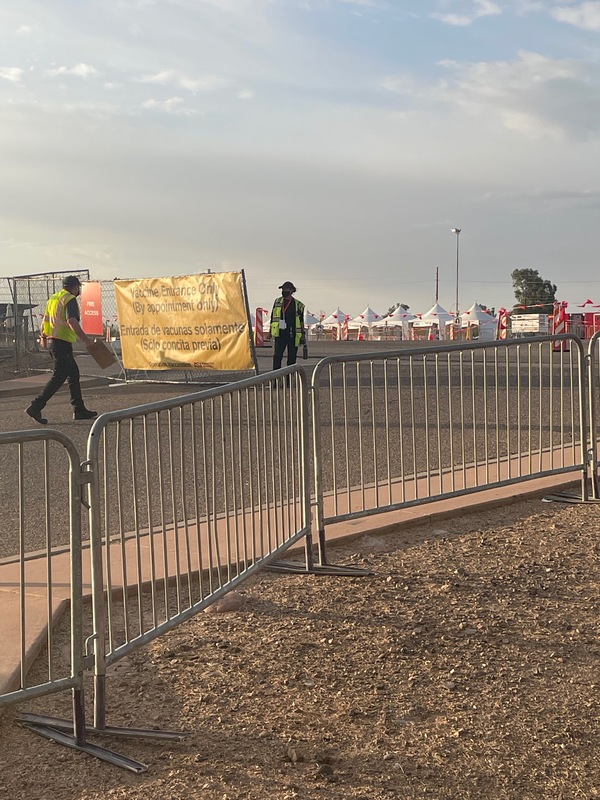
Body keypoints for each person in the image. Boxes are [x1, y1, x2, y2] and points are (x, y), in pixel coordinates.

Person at [25, 276, 98, 424]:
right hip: (62, 343)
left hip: (55, 342)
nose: (79, 291)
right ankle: (36, 406)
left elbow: (45, 319)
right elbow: (72, 321)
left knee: (73, 374)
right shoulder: (69, 299)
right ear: (75, 287)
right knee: (59, 376)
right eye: (79, 287)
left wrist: (43, 337)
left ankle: (79, 409)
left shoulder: (54, 298)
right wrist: (86, 340)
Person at [266, 281, 306, 370]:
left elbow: (301, 321)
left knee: (291, 359)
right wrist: (270, 332)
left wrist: (303, 335)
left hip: (293, 334)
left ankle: (288, 382)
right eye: (283, 289)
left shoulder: (298, 305)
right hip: (280, 334)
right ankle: (275, 380)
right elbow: (273, 318)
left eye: (286, 289)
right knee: (277, 357)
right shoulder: (277, 301)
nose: (284, 291)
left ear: (291, 290)